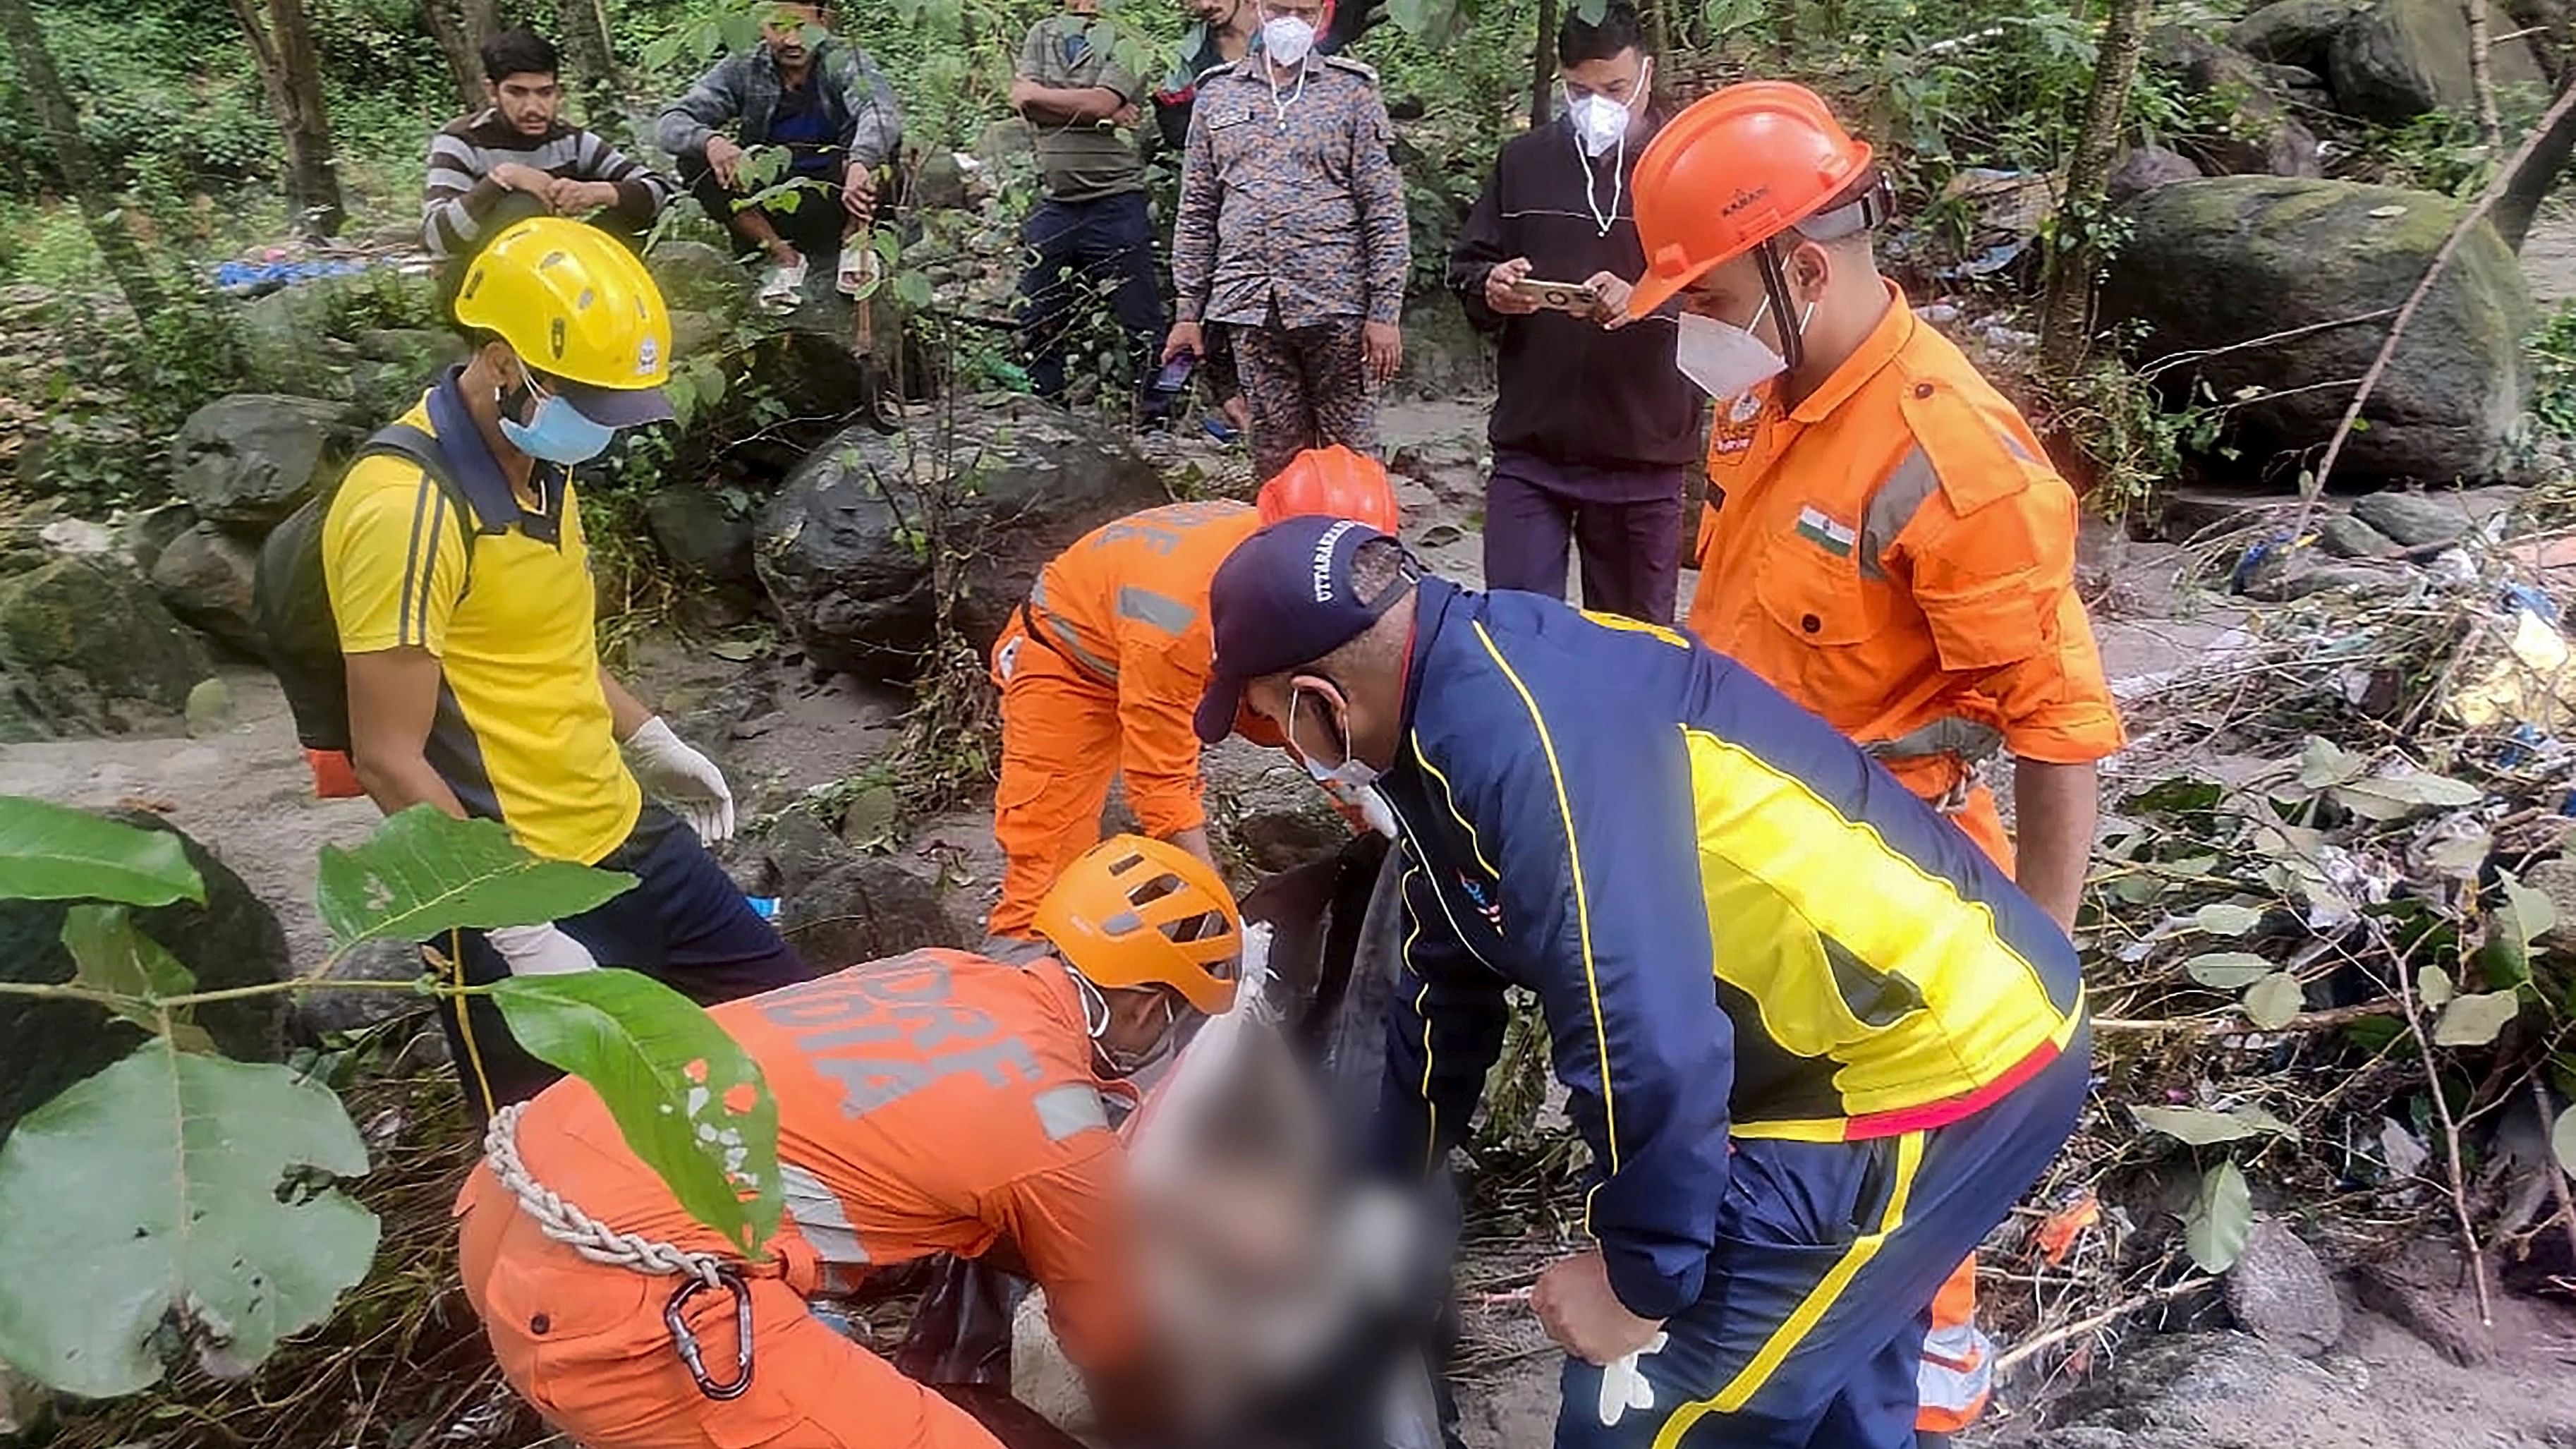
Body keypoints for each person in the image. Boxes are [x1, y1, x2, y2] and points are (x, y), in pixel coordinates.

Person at [1193, 515, 2090, 1449]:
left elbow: (1640, 1032)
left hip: (1925, 1065)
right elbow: (1444, 977)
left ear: (1319, 701)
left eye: (1266, 720)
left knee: (1642, 1410)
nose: (1281, 745)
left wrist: (1639, 1278)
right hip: (1896, 1034)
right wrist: (1365, 1196)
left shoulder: (1532, 742)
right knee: (1832, 1387)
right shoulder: (1454, 709)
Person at [1621, 84, 2127, 1440]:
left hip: (1899, 893)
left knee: (1893, 1209)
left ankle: (1914, 1401)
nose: (1697, 334)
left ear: (1800, 267)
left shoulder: (1955, 465)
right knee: (1772, 1163)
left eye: (1711, 301)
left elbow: (2057, 728)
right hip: (1750, 863)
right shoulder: (1759, 402)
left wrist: (2037, 962)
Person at [458, 834, 1241, 1449]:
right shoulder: (1062, 1132)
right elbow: (1117, 1350)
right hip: (616, 1303)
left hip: (513, 1194)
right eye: (1182, 1018)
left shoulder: (940, 971)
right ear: (1145, 1006)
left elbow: (944, 1167)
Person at [324, 217, 809, 1121]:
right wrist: (514, 920)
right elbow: (386, 755)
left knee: (795, 1022)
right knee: (572, 1142)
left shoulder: (544, 467)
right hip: (515, 876)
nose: (604, 428)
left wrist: (648, 735)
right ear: (504, 360)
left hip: (626, 833)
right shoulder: (403, 508)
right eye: (589, 400)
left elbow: (550, 646)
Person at [985, 447, 1401, 941]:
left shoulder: (1308, 557)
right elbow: (1161, 788)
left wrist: (1371, 802)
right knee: (1047, 872)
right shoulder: (1177, 621)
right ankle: (1022, 983)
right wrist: (1225, 924)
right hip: (1070, 664)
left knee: (1326, 722)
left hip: (1195, 646)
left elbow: (1322, 706)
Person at [1445, 3, 1699, 626]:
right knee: (1517, 633)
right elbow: (1468, 265)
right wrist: (1493, 287)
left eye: (1614, 88)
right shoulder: (1526, 161)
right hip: (1533, 448)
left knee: (1635, 647)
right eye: (1579, 91)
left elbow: (1730, 295)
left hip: (1644, 449)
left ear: (1647, 72)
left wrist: (1645, 295)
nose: (1598, 104)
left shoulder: (1691, 167)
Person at [1164, 0, 1410, 482]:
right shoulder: (1217, 94)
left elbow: (1383, 210)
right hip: (1249, 304)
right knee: (1276, 454)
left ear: (1324, 15)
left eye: (1305, 10)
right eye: (1280, 8)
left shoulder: (1351, 91)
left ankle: (1363, 554)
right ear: (1256, 8)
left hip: (1337, 307)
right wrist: (1187, 313)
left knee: (1352, 457)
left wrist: (1384, 314)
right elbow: (1196, 212)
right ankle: (1284, 554)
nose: (1291, 21)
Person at [654, 2, 902, 308]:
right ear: (761, 25)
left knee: (879, 140)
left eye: (801, 27)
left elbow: (881, 112)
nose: (791, 41)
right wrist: (712, 141)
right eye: (778, 27)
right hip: (772, 201)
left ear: (823, 21)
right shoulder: (745, 66)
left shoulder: (846, 60)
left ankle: (856, 242)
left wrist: (862, 162)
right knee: (694, 158)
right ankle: (782, 256)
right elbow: (671, 121)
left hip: (842, 196)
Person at [1010, 0, 1165, 411]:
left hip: (1116, 199)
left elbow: (1095, 102)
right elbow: (1021, 102)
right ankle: (1046, 408)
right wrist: (1104, 113)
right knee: (1036, 312)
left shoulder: (1128, 39)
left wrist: (1046, 99)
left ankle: (1159, 415)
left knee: (1142, 318)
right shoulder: (1042, 34)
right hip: (1057, 202)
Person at [421, 29, 674, 268]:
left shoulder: (571, 141)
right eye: (517, 93)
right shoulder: (462, 141)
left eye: (544, 93)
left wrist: (602, 192)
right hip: (477, 281)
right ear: (493, 92)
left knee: (632, 210)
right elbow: (435, 238)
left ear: (558, 92)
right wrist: (502, 179)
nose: (533, 108)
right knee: (522, 205)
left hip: (559, 275)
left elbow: (664, 192)